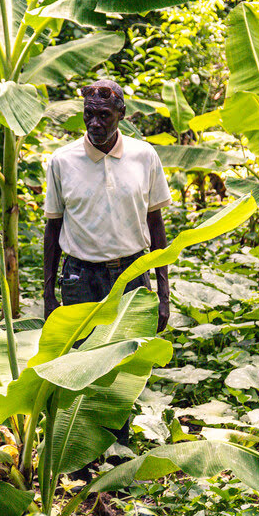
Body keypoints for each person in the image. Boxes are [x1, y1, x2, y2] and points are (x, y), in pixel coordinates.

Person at [42, 79, 171, 332]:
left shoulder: (144, 156)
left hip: (132, 274)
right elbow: (53, 228)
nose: (95, 123)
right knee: (82, 359)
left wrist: (163, 294)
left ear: (121, 114)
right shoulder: (62, 161)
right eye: (88, 114)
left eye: (104, 115)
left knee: (130, 359)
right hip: (80, 279)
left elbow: (155, 225)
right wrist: (47, 294)